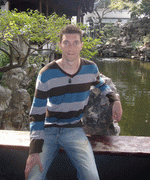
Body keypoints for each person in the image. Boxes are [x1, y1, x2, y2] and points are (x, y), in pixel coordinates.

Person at [25, 24, 123, 180]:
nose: (71, 47)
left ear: (81, 45)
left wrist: (114, 99)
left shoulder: (90, 69)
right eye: (66, 42)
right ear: (60, 45)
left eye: (76, 42)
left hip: (74, 129)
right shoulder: (46, 74)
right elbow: (36, 113)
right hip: (48, 130)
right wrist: (34, 151)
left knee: (91, 177)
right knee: (33, 177)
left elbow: (101, 84)